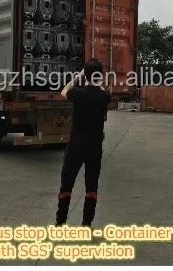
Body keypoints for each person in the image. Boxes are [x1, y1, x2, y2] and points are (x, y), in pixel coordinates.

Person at [55, 59, 112, 226]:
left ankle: (60, 222)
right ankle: (86, 225)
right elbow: (102, 89)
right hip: (94, 148)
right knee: (91, 187)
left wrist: (77, 77)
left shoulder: (78, 93)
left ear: (84, 75)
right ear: (100, 76)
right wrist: (97, 81)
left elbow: (64, 91)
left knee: (67, 183)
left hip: (76, 146)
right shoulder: (105, 96)